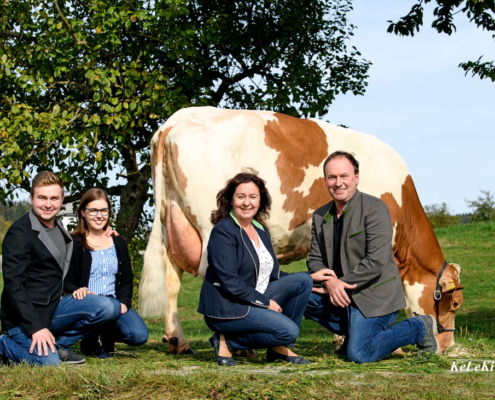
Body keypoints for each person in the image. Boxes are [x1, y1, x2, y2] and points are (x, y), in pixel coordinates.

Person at [304, 151, 439, 363]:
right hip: (339, 294)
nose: (338, 183)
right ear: (325, 181)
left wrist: (339, 284)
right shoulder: (321, 215)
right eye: (332, 177)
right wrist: (330, 281)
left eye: (344, 176)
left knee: (360, 354)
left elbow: (375, 261)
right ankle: (352, 333)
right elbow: (314, 258)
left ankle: (419, 326)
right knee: (295, 288)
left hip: (375, 296)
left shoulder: (375, 208)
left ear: (356, 178)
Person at [0, 172, 120, 366]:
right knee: (49, 364)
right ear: (32, 198)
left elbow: (78, 241)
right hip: (25, 318)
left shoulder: (58, 226)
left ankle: (60, 345)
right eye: (42, 198)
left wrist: (106, 232)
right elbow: (14, 287)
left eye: (54, 198)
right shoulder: (20, 233)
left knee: (108, 306)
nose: (48, 204)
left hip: (54, 307)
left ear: (62, 199)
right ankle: (4, 343)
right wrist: (35, 328)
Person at [197, 170, 313, 366]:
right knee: (289, 331)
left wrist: (313, 278)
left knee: (303, 281)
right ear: (231, 200)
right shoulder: (223, 231)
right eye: (240, 197)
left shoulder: (260, 229)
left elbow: (271, 273)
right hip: (228, 306)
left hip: (252, 297)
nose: (246, 202)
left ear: (260, 201)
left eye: (253, 197)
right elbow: (230, 282)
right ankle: (227, 342)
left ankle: (279, 349)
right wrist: (265, 302)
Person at [64, 188, 148, 358]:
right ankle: (89, 341)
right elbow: (66, 280)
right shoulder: (74, 243)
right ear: (83, 212)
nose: (99, 215)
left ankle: (106, 332)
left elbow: (126, 278)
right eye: (93, 210)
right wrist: (76, 289)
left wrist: (124, 301)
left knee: (139, 335)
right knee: (102, 308)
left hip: (114, 302)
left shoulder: (117, 241)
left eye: (103, 210)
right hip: (90, 303)